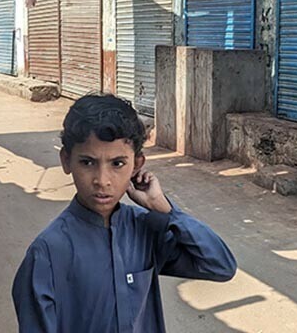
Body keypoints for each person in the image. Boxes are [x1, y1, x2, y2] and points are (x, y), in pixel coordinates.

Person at [12, 94, 236, 333]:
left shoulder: (145, 230)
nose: (102, 181)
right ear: (67, 161)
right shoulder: (47, 252)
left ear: (137, 165)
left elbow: (220, 266)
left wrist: (166, 210)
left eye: (117, 164)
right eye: (87, 162)